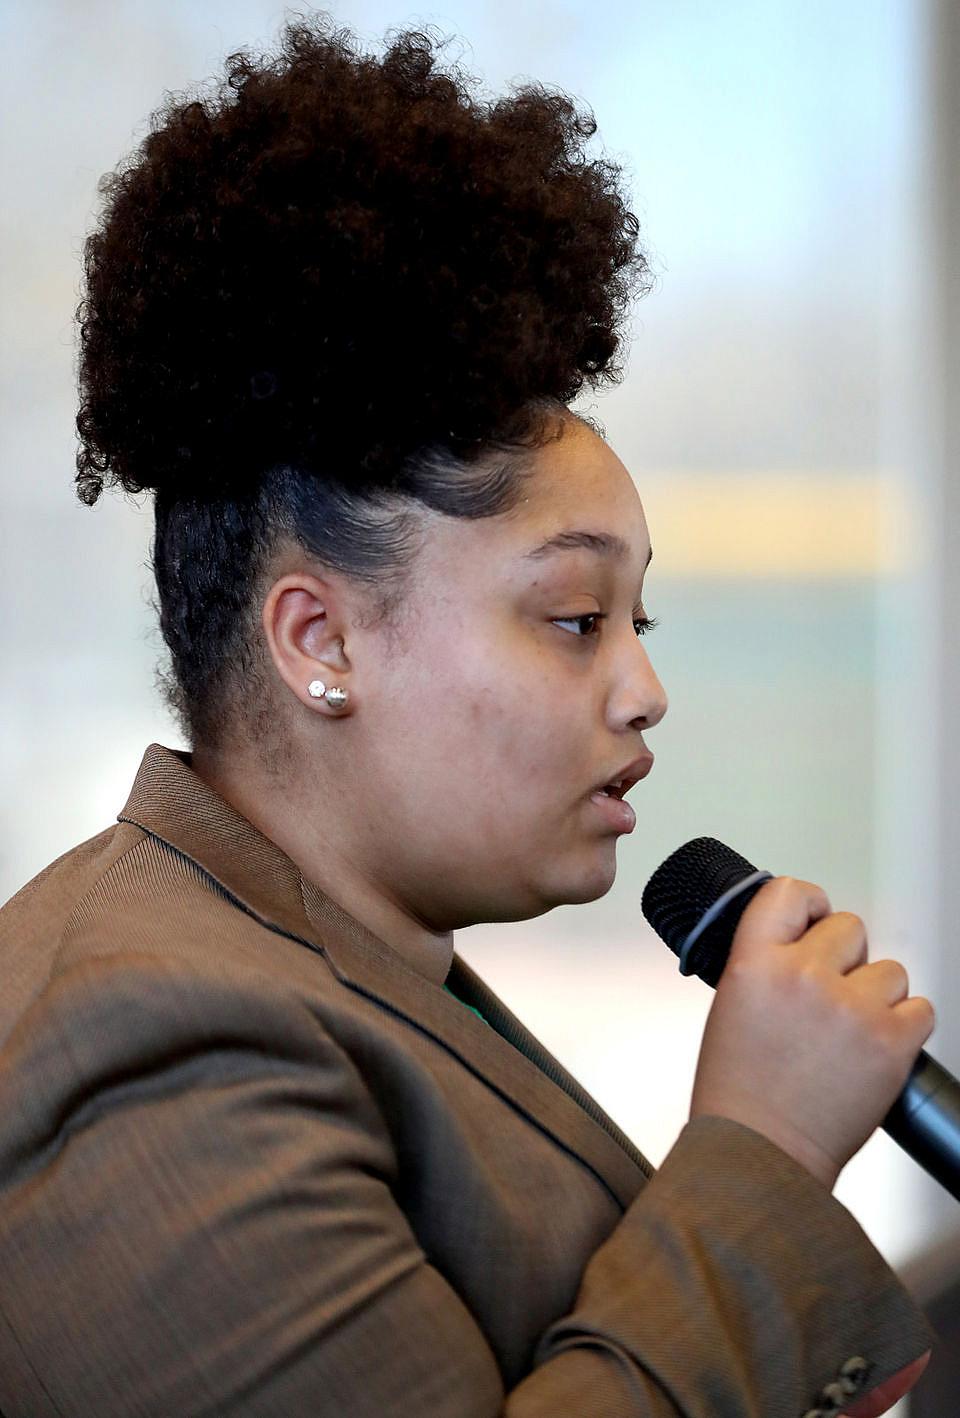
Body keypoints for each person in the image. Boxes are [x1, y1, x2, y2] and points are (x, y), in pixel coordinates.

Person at [0, 14, 936, 1416]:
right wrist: (761, 1149)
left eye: (644, 623)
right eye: (574, 620)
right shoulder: (143, 1038)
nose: (645, 686)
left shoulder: (352, 965)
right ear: (319, 638)